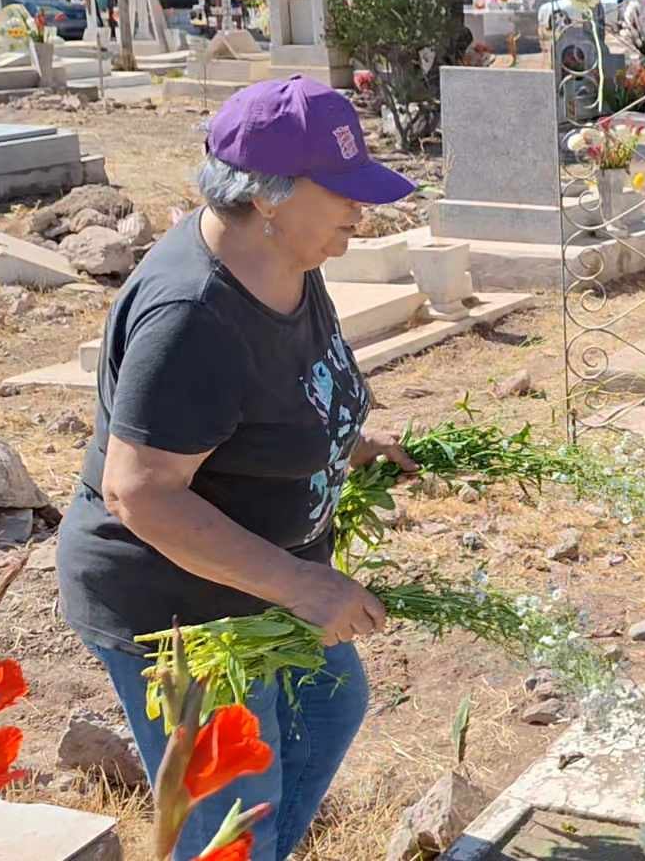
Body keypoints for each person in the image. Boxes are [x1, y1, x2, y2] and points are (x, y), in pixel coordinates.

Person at [57, 76, 421, 860]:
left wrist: (346, 442)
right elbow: (141, 492)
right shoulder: (192, 315)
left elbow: (269, 402)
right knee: (231, 816)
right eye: (343, 194)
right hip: (181, 608)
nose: (362, 211)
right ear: (268, 197)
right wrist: (305, 586)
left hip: (251, 588)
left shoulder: (289, 258)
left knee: (328, 707)